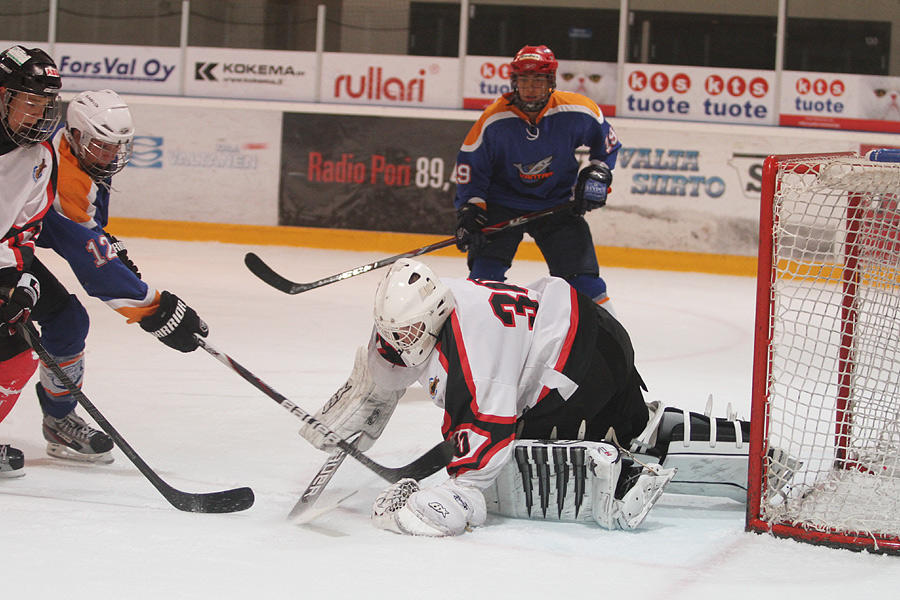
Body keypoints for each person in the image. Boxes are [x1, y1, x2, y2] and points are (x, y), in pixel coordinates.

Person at [301, 259, 766, 537]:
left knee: (516, 454)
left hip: (579, 364)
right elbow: (393, 339)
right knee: (632, 425)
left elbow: (486, 436)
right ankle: (750, 450)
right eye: (396, 333)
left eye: (410, 333)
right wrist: (374, 389)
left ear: (435, 314)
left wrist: (457, 495)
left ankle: (617, 472)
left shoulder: (471, 352)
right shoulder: (434, 306)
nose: (404, 341)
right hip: (594, 336)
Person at [28, 89, 209, 464]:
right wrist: (157, 311)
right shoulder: (63, 179)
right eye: (102, 146)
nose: (110, 155)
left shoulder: (74, 152)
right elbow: (96, 271)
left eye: (117, 147)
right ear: (76, 135)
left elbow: (82, 231)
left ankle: (59, 420)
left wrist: (106, 242)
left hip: (11, 243)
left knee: (67, 321)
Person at [453, 44, 620, 313]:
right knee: (482, 283)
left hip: (557, 204)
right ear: (513, 82)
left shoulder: (578, 110)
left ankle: (612, 347)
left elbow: (608, 146)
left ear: (551, 81)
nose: (530, 87)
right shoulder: (494, 119)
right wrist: (470, 209)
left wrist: (598, 175)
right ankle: (477, 344)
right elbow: (471, 168)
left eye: (538, 80)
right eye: (524, 80)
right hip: (503, 204)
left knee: (586, 284)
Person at [0, 45, 63, 477]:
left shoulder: (40, 157)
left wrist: (20, 279)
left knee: (20, 348)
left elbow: (22, 231)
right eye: (29, 102)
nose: (39, 115)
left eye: (45, 104)